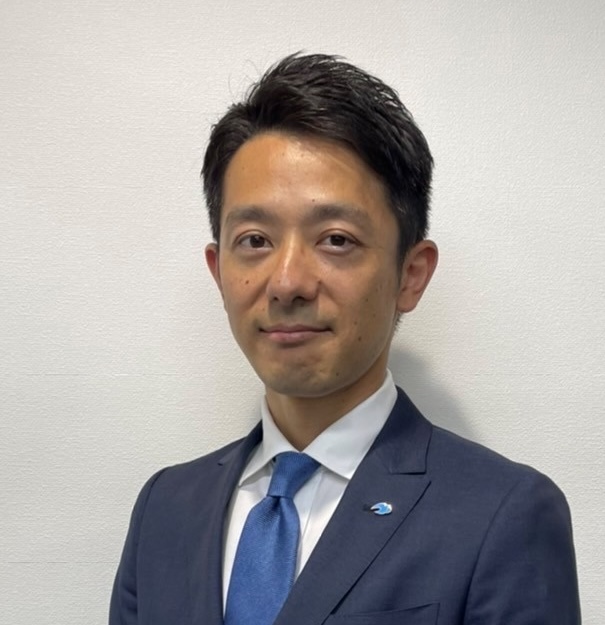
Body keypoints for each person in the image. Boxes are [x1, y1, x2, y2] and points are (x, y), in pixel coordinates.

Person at [109, 53, 580, 625]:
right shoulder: (165, 510)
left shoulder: (501, 515)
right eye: (254, 240)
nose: (287, 282)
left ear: (411, 275)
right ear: (218, 271)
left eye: (335, 239)